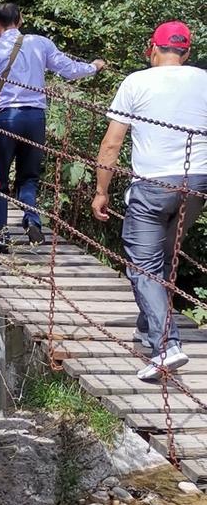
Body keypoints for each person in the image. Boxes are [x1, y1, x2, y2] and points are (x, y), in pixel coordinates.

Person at [92, 20, 207, 382]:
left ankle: (165, 346)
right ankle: (147, 330)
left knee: (143, 265)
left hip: (154, 186)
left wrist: (101, 190)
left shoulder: (136, 82)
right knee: (162, 255)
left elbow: (111, 145)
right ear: (187, 52)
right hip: (199, 184)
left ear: (152, 49)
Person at [0, 3, 105, 252]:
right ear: (20, 20)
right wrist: (93, 67)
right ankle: (32, 220)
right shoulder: (40, 43)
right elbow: (68, 69)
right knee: (29, 178)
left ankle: (2, 235)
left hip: (6, 118)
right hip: (35, 119)